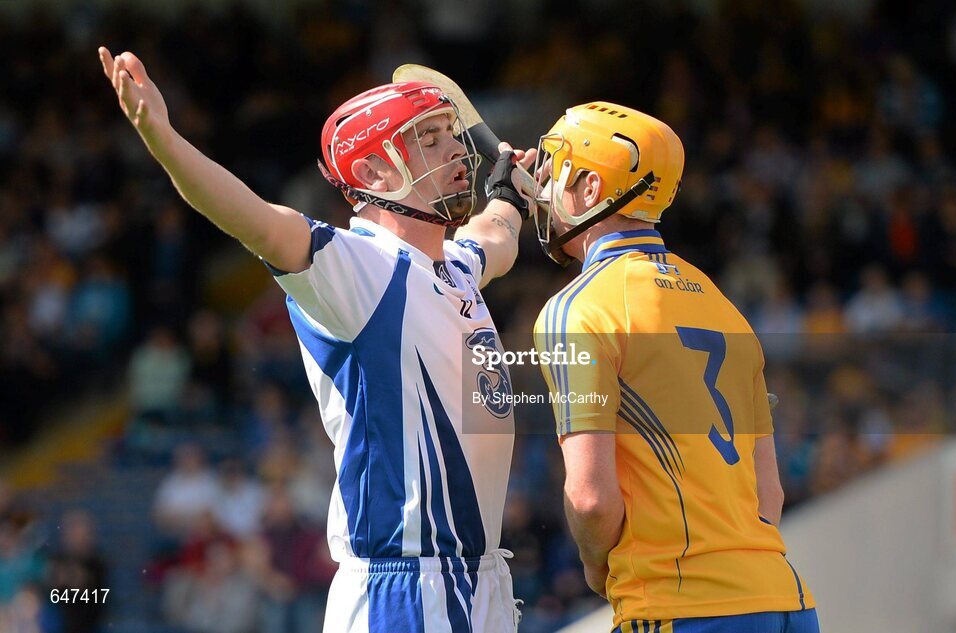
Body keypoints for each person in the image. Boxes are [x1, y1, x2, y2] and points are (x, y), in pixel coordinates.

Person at [99, 47, 534, 632]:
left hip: (479, 579)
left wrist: (510, 192)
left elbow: (496, 236)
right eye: (429, 139)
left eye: (451, 135)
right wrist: (163, 139)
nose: (458, 150)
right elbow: (252, 218)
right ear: (374, 172)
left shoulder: (456, 266)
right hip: (405, 591)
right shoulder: (355, 266)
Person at [531, 102, 819, 632]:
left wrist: (600, 566)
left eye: (558, 172)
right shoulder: (722, 302)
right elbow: (768, 494)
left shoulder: (579, 309)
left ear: (591, 190)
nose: (545, 191)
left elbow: (591, 498)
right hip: (784, 603)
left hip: (678, 607)